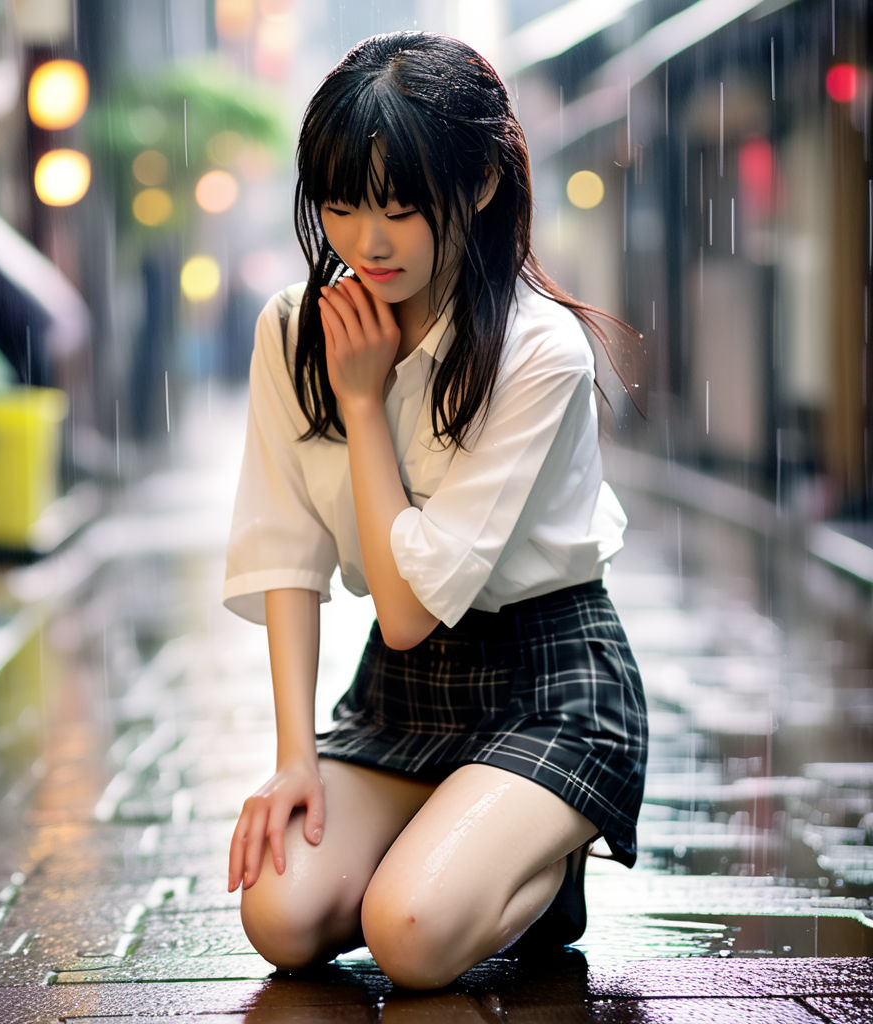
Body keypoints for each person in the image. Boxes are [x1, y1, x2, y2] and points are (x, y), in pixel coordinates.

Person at [222, 31, 647, 990]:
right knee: (281, 917)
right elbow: (282, 552)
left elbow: (409, 609)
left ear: (484, 183)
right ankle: (463, 826)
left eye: (401, 210)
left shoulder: (540, 352)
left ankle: (542, 861)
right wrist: (296, 760)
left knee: (410, 937)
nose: (367, 243)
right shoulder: (294, 329)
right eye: (340, 205)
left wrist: (364, 403)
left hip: (556, 680)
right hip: (402, 693)